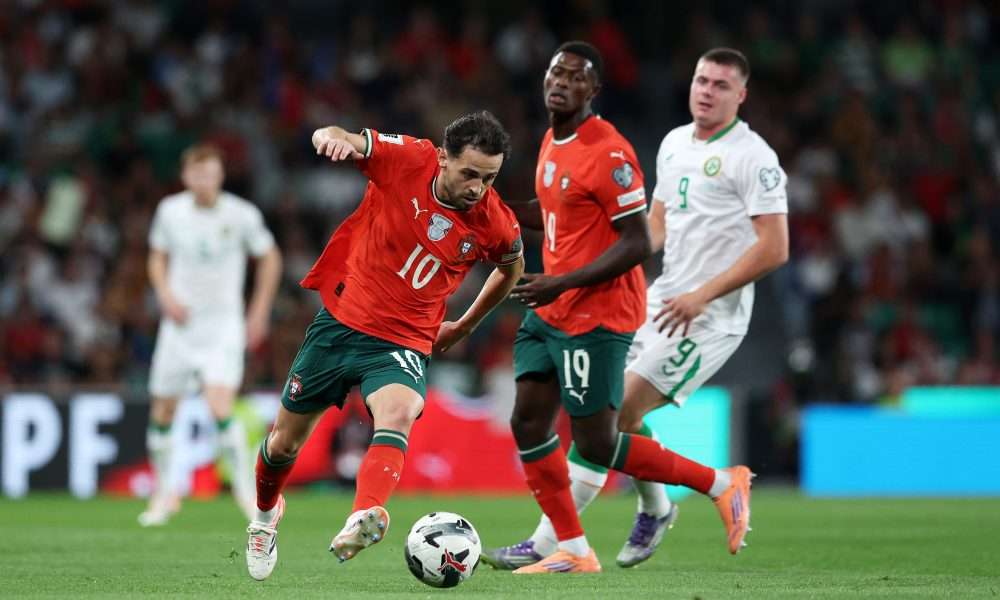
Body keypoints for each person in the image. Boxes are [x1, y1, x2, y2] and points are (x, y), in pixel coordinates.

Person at [486, 43, 784, 575]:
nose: (707, 92)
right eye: (701, 81)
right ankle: (656, 507)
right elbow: (655, 226)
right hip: (660, 297)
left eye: (720, 85)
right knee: (609, 415)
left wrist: (701, 295)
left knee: (613, 416)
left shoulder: (753, 157)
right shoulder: (673, 143)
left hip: (710, 315)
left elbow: (774, 247)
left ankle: (553, 541)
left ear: (741, 95)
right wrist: (626, 275)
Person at [245, 111, 525, 581]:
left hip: (405, 338)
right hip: (341, 323)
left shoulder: (494, 222)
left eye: (489, 178)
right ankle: (264, 517)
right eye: (470, 174)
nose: (478, 188)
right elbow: (348, 138)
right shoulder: (409, 158)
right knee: (283, 442)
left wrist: (464, 325)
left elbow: (511, 268)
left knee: (398, 411)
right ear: (443, 157)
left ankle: (365, 513)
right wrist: (329, 136)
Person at [140, 144, 282, 527]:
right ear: (186, 176)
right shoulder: (170, 211)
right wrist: (165, 295)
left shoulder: (241, 214)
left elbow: (270, 257)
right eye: (197, 174)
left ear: (220, 175)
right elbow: (156, 256)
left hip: (222, 326)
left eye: (210, 173)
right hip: (180, 326)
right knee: (163, 410)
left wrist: (259, 310)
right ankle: (164, 494)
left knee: (220, 404)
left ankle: (247, 494)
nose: (204, 180)